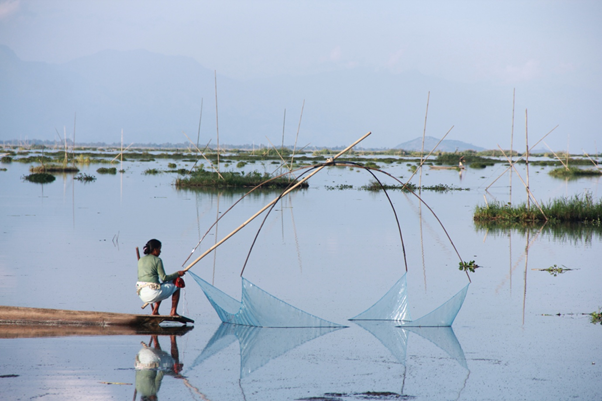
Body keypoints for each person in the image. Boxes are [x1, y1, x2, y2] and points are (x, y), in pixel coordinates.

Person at [136, 239, 185, 316]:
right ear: (155, 250)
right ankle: (173, 312)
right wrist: (177, 274)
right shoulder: (157, 260)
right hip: (152, 293)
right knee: (178, 283)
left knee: (161, 286)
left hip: (141, 293)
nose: (160, 251)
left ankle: (155, 311)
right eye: (159, 249)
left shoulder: (140, 260)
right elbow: (164, 278)